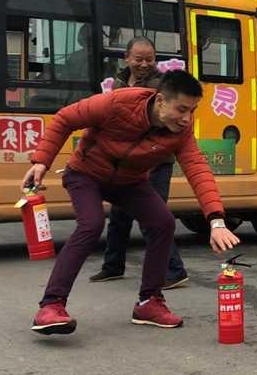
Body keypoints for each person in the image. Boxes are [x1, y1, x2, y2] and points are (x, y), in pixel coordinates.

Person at [22, 70, 240, 335]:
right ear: (160, 100)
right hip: (86, 174)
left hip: (129, 182)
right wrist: (42, 162)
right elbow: (65, 118)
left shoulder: (182, 130)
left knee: (163, 223)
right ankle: (51, 305)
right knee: (91, 224)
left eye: (192, 110)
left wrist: (216, 221)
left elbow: (196, 167)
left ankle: (149, 302)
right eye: (181, 109)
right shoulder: (118, 103)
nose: (186, 118)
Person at [88, 37, 188, 290]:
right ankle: (113, 266)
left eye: (150, 59)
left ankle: (174, 271)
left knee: (153, 217)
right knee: (119, 215)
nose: (144, 64)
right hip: (127, 162)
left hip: (155, 161)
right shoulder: (119, 82)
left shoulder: (161, 86)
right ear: (127, 58)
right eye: (139, 59)